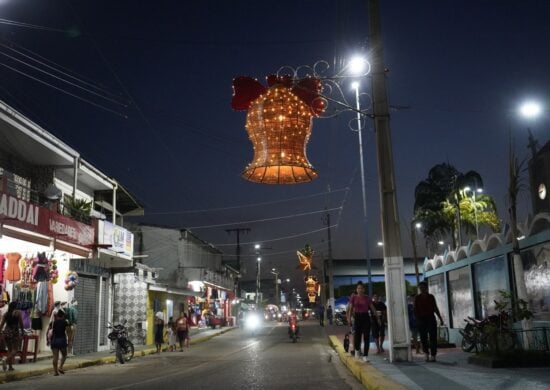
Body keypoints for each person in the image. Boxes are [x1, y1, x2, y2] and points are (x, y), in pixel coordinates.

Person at [346, 281, 381, 362]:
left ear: (364, 289)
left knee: (366, 337)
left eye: (361, 288)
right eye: (358, 288)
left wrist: (378, 318)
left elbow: (372, 308)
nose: (360, 290)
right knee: (357, 337)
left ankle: (365, 355)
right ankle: (357, 351)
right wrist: (349, 319)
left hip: (365, 318)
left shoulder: (367, 298)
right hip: (357, 317)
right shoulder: (354, 298)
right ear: (356, 289)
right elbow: (351, 309)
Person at [414, 281, 444, 362]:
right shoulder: (417, 298)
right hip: (421, 319)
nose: (422, 289)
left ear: (426, 288)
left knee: (433, 337)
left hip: (431, 318)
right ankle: (426, 354)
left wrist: (440, 318)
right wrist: (417, 320)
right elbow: (415, 310)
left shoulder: (431, 297)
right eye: (420, 288)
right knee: (423, 338)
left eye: (423, 288)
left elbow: (435, 308)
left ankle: (433, 355)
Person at [0, 302, 23, 371]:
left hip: (6, 332)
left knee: (9, 350)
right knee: (15, 350)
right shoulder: (18, 313)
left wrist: (1, 332)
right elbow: (21, 323)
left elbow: (1, 324)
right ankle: (5, 359)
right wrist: (22, 331)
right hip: (14, 332)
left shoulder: (6, 314)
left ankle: (10, 367)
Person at [49, 309, 68, 376]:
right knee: (64, 354)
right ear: (62, 316)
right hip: (62, 339)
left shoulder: (54, 322)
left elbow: (51, 330)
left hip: (54, 340)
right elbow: (67, 330)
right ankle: (60, 367)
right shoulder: (65, 322)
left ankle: (55, 372)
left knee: (55, 357)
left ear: (57, 316)